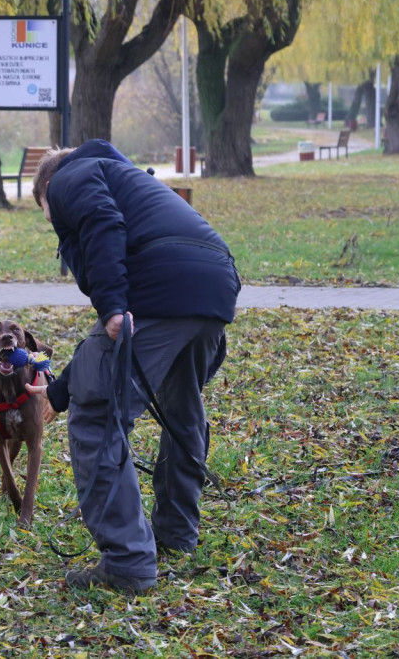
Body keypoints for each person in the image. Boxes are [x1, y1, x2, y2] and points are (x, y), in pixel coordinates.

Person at [25, 139, 239, 593]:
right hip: (214, 286)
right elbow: (106, 354)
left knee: (98, 418)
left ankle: (127, 563)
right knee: (181, 406)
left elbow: (102, 222)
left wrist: (112, 307)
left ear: (47, 190)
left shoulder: (67, 178)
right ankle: (176, 534)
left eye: (49, 217)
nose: (56, 227)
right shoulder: (126, 176)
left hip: (163, 290)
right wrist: (59, 391)